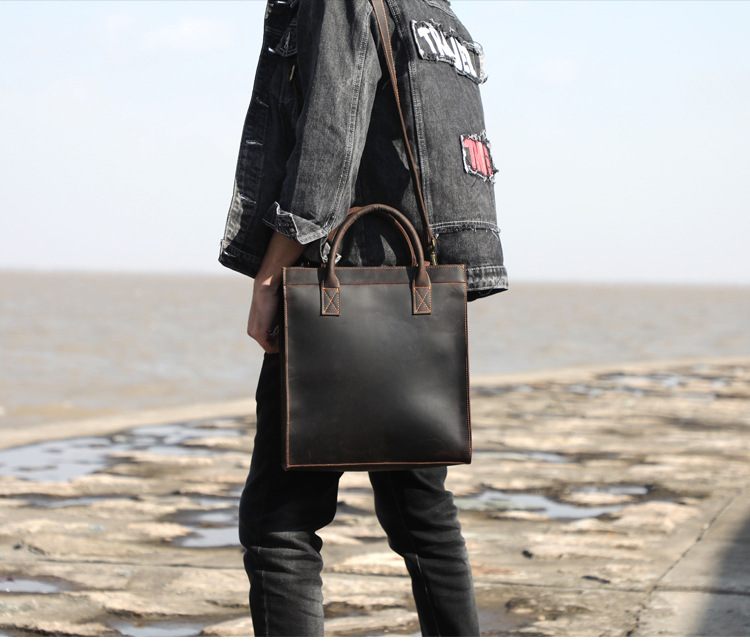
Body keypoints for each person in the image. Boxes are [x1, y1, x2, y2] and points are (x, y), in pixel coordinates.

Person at [219, 0, 508, 635]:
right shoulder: (437, 12)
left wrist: (270, 274)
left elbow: (329, 140)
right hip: (410, 299)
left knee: (279, 523)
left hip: (337, 292)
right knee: (423, 518)